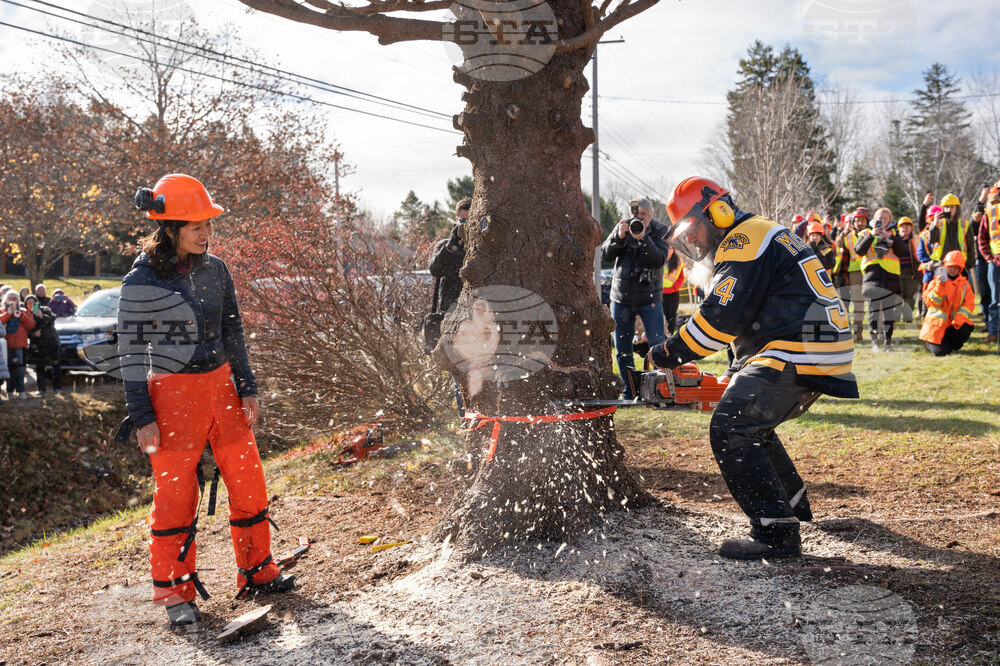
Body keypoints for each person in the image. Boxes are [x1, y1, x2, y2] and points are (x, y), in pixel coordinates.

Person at [648, 177, 858, 560]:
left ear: (718, 211)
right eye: (684, 236)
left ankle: (775, 534)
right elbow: (748, 317)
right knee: (751, 424)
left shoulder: (743, 239)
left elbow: (719, 320)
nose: (692, 241)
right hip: (813, 344)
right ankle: (792, 505)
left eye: (693, 229)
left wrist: (666, 353)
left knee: (731, 425)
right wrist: (736, 371)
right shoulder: (759, 233)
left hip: (798, 347)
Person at [121, 173, 295, 628]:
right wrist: (141, 416)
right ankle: (175, 592)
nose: (206, 233)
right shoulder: (141, 279)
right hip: (172, 395)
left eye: (208, 224)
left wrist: (248, 386)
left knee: (248, 480)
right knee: (177, 496)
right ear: (170, 228)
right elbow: (130, 353)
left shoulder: (216, 269)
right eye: (196, 226)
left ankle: (258, 571)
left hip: (222, 387)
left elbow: (233, 329)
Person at [601, 198, 670, 400]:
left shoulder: (659, 230)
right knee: (622, 350)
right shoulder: (623, 226)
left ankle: (659, 391)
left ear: (650, 215)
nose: (638, 218)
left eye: (643, 215)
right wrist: (619, 237)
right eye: (635, 214)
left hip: (650, 298)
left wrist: (643, 238)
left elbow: (659, 259)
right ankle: (629, 391)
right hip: (621, 298)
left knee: (657, 346)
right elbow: (606, 254)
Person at [428, 197, 471, 417]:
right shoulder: (445, 246)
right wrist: (452, 245)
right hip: (452, 320)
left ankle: (482, 421)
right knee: (460, 375)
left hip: (478, 320)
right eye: (462, 222)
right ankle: (466, 421)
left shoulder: (482, 249)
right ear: (456, 220)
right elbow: (435, 269)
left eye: (469, 222)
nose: (465, 227)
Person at [854, 208, 905, 351]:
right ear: (874, 219)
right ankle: (874, 342)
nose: (882, 221)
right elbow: (859, 250)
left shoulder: (895, 233)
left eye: (885, 218)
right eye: (879, 218)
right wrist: (872, 235)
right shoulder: (865, 232)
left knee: (889, 312)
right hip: (872, 277)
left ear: (890, 220)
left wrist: (891, 238)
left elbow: (902, 251)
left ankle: (887, 342)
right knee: (873, 311)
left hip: (891, 277)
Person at [919, 251, 974, 356]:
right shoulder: (934, 283)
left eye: (956, 267)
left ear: (960, 269)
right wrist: (940, 286)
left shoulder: (965, 285)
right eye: (950, 267)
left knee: (967, 326)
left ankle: (952, 345)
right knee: (941, 353)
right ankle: (930, 343)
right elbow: (932, 303)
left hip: (953, 325)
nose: (953, 270)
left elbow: (968, 306)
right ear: (945, 267)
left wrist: (957, 322)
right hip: (936, 327)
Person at [833, 208, 870, 341]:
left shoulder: (871, 234)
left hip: (870, 271)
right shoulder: (848, 236)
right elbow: (838, 243)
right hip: (855, 273)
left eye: (862, 220)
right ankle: (857, 333)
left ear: (867, 221)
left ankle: (878, 332)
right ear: (852, 222)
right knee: (858, 304)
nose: (860, 223)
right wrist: (844, 231)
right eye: (857, 220)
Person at [23, 294, 61, 395]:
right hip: (38, 345)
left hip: (51, 342)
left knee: (56, 365)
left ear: (37, 303)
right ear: (26, 305)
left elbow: (51, 319)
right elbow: (24, 330)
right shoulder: (25, 314)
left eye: (33, 302)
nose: (31, 305)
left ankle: (57, 388)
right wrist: (33, 334)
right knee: (39, 367)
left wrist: (41, 316)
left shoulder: (44, 309)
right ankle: (41, 389)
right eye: (29, 303)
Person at [1, 290, 35, 399]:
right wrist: (9, 313)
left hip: (19, 345)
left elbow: (31, 325)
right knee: (8, 370)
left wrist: (20, 315)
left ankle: (21, 391)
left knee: (20, 370)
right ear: (5, 300)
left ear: (18, 300)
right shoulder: (2, 311)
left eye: (15, 298)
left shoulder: (24, 311)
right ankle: (10, 391)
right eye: (10, 298)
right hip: (5, 346)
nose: (12, 300)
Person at [981, 184, 1000, 344]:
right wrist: (988, 257)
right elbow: (982, 237)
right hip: (995, 261)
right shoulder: (991, 212)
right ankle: (993, 333)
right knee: (995, 299)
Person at [895, 217, 922, 325]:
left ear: (911, 228)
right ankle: (895, 316)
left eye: (907, 227)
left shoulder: (916, 240)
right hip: (896, 272)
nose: (905, 229)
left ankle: (907, 317)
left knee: (909, 296)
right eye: (902, 227)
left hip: (911, 273)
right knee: (897, 295)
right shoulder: (895, 240)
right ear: (898, 229)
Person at [661, 246, 685, 335]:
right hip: (660, 293)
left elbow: (680, 279)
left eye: (670, 248)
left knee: (671, 316)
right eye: (667, 248)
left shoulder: (678, 263)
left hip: (673, 293)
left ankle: (670, 335)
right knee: (662, 315)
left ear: (674, 249)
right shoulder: (659, 259)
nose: (669, 250)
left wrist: (672, 288)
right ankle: (662, 335)